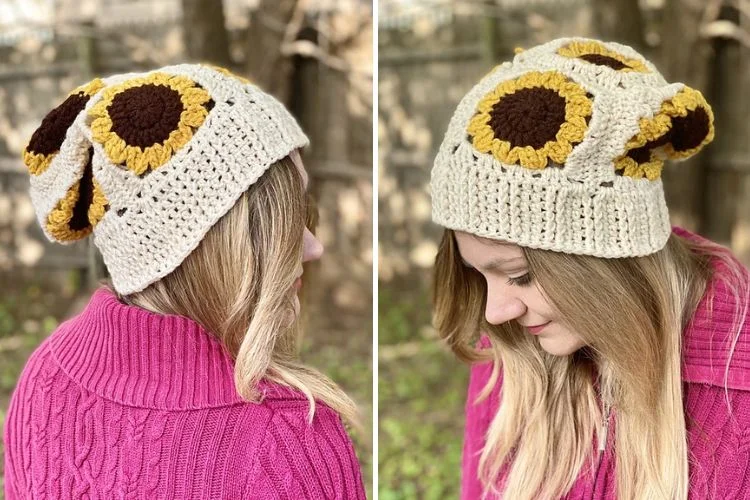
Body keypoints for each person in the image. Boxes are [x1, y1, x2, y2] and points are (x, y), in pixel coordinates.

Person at [4, 64, 366, 499]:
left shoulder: (46, 374)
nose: (313, 247)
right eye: (284, 223)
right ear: (219, 250)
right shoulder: (289, 440)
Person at [430, 37, 749, 499]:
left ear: (605, 262)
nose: (495, 312)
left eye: (519, 275)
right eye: (481, 275)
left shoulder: (733, 386)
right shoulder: (513, 346)